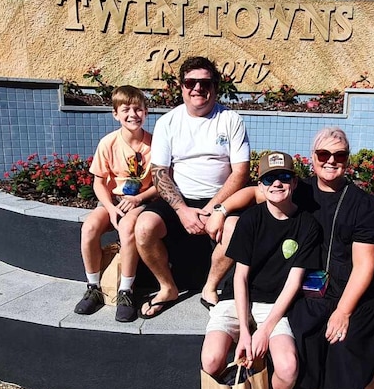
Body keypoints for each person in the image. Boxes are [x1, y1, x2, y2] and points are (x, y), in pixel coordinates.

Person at [205, 127, 374, 389]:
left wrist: (344, 311)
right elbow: (254, 192)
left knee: (355, 332)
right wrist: (220, 211)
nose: (331, 161)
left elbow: (365, 265)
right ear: (313, 158)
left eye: (339, 155)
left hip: (350, 286)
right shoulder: (297, 189)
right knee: (304, 326)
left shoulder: (363, 204)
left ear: (347, 160)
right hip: (312, 284)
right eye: (323, 154)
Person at [199, 152, 317, 389]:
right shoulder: (250, 219)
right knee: (211, 359)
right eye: (268, 178)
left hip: (275, 306)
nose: (277, 183)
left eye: (284, 177)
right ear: (260, 186)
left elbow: (294, 282)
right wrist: (247, 333)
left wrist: (264, 330)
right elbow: (239, 279)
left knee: (288, 367)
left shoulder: (307, 225)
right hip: (237, 300)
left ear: (294, 181)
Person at [134, 56, 250, 318]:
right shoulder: (168, 122)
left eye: (205, 82)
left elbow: (240, 172)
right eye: (190, 82)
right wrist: (183, 211)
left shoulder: (231, 120)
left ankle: (210, 287)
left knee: (235, 227)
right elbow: (159, 173)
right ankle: (167, 287)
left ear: (215, 87)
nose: (198, 88)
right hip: (180, 198)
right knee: (143, 227)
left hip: (221, 199)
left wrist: (213, 209)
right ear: (182, 87)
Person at [74, 85, 158, 323]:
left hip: (141, 200)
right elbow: (99, 182)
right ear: (116, 114)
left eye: (138, 109)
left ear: (146, 112)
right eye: (126, 110)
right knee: (89, 228)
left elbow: (161, 184)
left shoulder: (155, 144)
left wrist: (138, 199)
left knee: (127, 228)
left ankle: (125, 291)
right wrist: (110, 208)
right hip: (114, 201)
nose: (133, 114)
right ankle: (93, 287)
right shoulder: (108, 143)